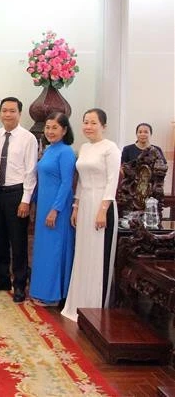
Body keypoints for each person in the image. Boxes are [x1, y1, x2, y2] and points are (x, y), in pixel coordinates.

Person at [62, 108, 121, 322]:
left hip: (102, 204)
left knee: (98, 255)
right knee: (84, 253)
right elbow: (81, 181)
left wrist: (102, 210)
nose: (88, 126)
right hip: (85, 202)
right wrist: (76, 207)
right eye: (85, 122)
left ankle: (96, 307)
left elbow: (112, 181)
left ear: (103, 126)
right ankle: (78, 303)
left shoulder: (110, 148)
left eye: (93, 123)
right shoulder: (84, 147)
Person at [0, 97, 38, 303]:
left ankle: (19, 283)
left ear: (20, 113)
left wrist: (25, 200)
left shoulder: (28, 139)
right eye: (4, 110)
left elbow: (30, 172)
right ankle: (2, 279)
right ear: (0, 113)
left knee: (17, 241)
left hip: (16, 194)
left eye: (12, 111)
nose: (7, 114)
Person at [30, 112, 76, 306]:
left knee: (54, 251)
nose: (50, 131)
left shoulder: (66, 152)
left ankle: (54, 296)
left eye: (54, 128)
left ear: (64, 130)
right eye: (48, 127)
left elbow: (67, 184)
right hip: (43, 207)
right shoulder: (49, 150)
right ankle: (42, 291)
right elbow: (41, 180)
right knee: (43, 250)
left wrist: (55, 210)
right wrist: (33, 203)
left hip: (57, 209)